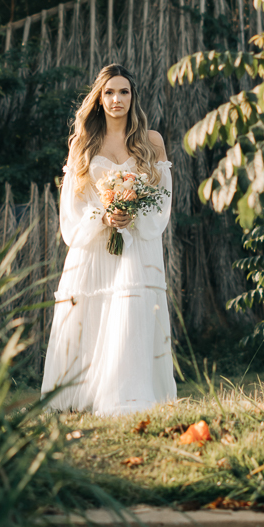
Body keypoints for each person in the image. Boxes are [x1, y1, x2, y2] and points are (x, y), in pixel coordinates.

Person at [41, 64, 177, 415]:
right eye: (109, 92)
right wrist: (103, 216)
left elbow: (162, 198)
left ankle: (127, 394)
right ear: (99, 99)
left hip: (137, 243)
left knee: (130, 311)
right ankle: (82, 394)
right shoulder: (83, 143)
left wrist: (134, 215)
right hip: (95, 243)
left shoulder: (152, 142)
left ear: (133, 97)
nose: (117, 99)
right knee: (93, 311)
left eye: (124, 92)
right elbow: (72, 203)